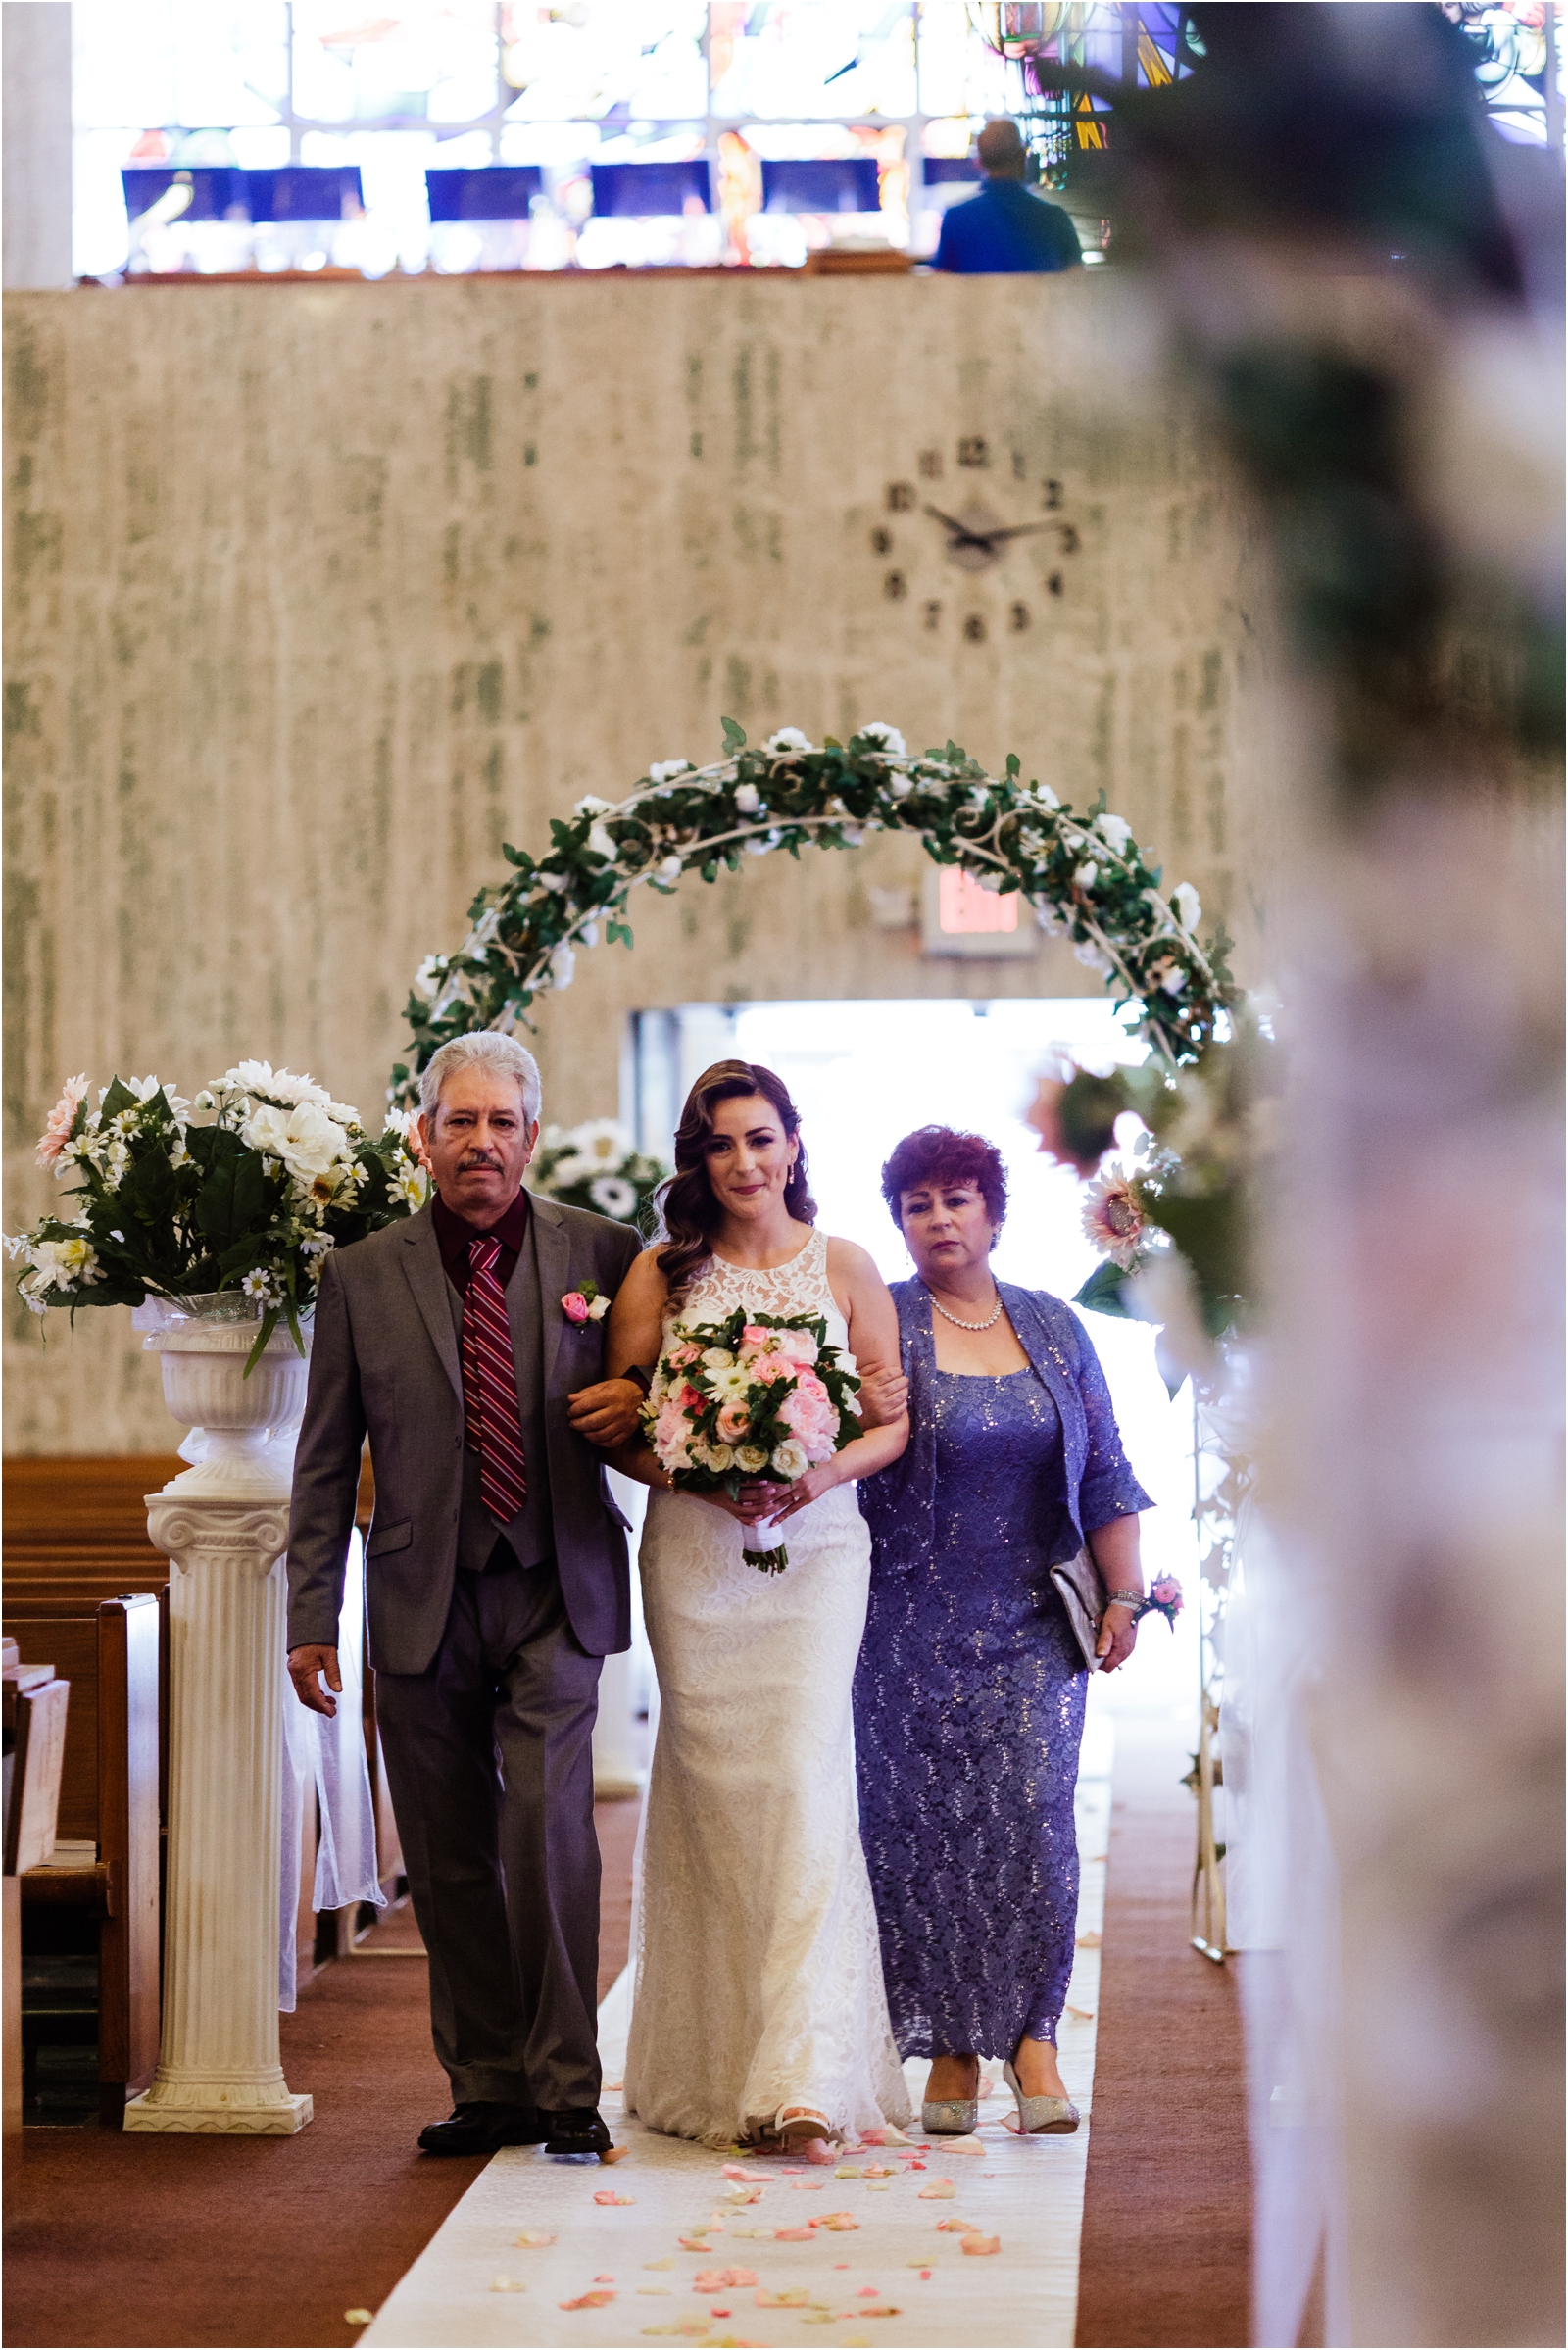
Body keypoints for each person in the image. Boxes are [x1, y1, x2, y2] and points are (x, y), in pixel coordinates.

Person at [284, 1032, 647, 2159]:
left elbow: (654, 1397)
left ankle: (567, 2082)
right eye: (460, 1121)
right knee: (445, 1849)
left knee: (546, 1830)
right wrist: (308, 1615)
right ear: (423, 1135)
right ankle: (488, 2080)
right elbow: (323, 1453)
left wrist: (631, 1404)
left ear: (533, 1137)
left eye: (502, 1123)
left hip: (556, 1581)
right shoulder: (358, 1273)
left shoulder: (605, 1250)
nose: (481, 1142)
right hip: (416, 1589)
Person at [605, 1060, 913, 2150]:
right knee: (718, 1794)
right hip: (698, 1558)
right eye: (722, 1145)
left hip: (819, 1551)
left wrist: (814, 1475)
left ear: (793, 1145)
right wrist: (704, 1472)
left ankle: (803, 2077)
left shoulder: (846, 1264)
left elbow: (887, 1420)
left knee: (799, 1773)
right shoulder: (662, 1274)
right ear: (700, 1160)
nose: (745, 1162)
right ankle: (721, 2054)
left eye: (761, 1138)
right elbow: (627, 1426)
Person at [855, 1125, 1153, 2136]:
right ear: (898, 1220)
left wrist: (1124, 1596)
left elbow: (1107, 1469)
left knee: (1033, 1823)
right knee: (920, 1833)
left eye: (955, 1199)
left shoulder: (1055, 1324)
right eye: (917, 1204)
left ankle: (1034, 2039)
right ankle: (945, 2046)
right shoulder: (881, 1320)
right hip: (900, 1628)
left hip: (1032, 1625)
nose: (937, 1219)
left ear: (992, 1211)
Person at [934, 117, 1083, 275]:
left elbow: (942, 287)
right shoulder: (1056, 219)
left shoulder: (955, 219)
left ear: (978, 161)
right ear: (1023, 156)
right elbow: (1078, 285)